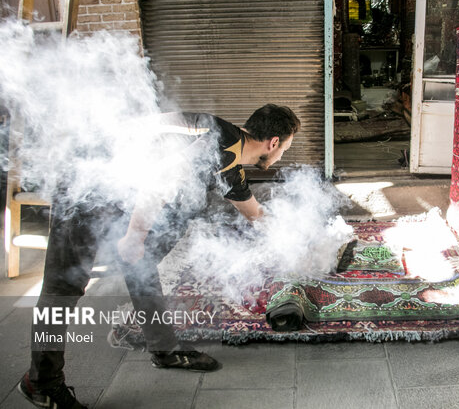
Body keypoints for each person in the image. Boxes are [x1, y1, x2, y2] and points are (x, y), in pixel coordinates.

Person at [18, 104, 300, 409]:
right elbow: (164, 177)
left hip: (118, 185)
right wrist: (135, 236)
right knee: (64, 286)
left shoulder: (230, 160)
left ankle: (164, 348)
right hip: (86, 178)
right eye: (284, 148)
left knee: (141, 265)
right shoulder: (220, 143)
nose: (281, 155)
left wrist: (300, 242)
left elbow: (256, 215)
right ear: (273, 142)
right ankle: (42, 383)